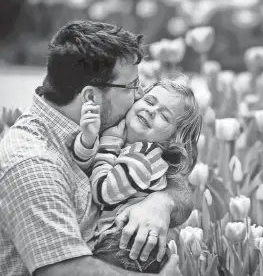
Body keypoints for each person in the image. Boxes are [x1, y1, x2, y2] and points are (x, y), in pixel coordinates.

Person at [0, 20, 193, 276]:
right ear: (91, 97)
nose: (139, 97)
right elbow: (65, 271)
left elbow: (177, 181)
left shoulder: (100, 122)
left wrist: (161, 202)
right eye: (132, 87)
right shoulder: (32, 164)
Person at [72, 79, 202, 273]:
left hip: (127, 246)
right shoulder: (128, 148)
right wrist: (88, 140)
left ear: (172, 139)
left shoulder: (145, 159)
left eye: (164, 116)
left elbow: (102, 191)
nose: (151, 111)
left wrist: (108, 142)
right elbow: (86, 167)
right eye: (150, 102)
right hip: (123, 244)